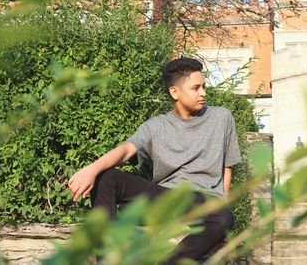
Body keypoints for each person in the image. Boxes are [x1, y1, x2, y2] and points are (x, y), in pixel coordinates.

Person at [68, 57, 242, 264]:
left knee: (223, 218)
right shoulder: (155, 127)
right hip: (166, 196)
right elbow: (126, 151)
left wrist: (223, 200)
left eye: (204, 86)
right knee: (105, 177)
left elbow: (226, 167)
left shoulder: (221, 117)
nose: (203, 93)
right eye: (196, 88)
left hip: (202, 198)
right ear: (174, 92)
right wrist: (92, 169)